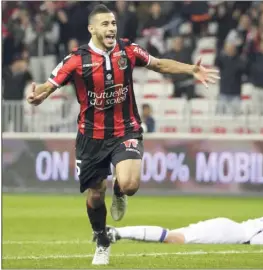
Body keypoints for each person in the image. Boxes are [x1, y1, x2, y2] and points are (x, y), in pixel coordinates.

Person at [26, 4, 219, 266]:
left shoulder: (128, 50)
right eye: (105, 24)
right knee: (95, 194)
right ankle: (101, 240)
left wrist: (191, 70)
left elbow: (159, 64)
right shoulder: (75, 60)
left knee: (130, 185)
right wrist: (39, 95)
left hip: (126, 128)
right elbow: (50, 85)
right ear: (91, 29)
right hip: (91, 136)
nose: (111, 28)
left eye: (113, 23)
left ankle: (119, 188)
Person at [103, 195, 263, 245]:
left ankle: (117, 233)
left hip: (230, 229)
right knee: (174, 238)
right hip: (232, 234)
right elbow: (259, 241)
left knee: (174, 236)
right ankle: (118, 233)